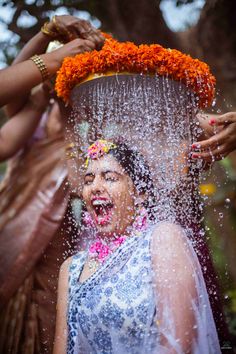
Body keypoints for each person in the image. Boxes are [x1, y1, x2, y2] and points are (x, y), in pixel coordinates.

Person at [53, 139, 221, 354]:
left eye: (110, 178)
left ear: (140, 193)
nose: (95, 187)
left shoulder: (162, 239)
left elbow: (179, 344)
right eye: (88, 180)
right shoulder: (71, 268)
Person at [0, 15, 104, 354]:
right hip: (13, 232)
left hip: (61, 248)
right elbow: (10, 93)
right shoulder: (35, 114)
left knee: (50, 315)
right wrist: (46, 35)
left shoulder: (96, 126)